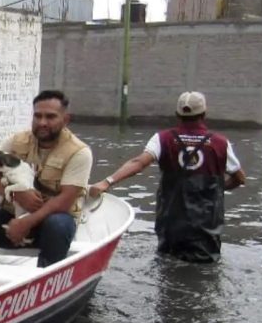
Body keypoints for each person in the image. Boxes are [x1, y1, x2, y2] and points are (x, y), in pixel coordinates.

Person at [88, 91, 246, 263]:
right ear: (204, 114)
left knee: (167, 264)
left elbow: (139, 163)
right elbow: (240, 178)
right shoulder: (220, 143)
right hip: (206, 226)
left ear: (177, 114)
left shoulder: (162, 139)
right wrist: (216, 189)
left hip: (171, 222)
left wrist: (107, 181)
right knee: (204, 270)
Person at [0, 89, 93, 267]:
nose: (42, 122)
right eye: (37, 116)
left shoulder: (79, 152)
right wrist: (19, 196)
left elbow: (64, 201)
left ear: (65, 119)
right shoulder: (15, 142)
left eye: (50, 117)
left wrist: (26, 223)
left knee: (58, 226)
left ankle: (46, 276)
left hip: (51, 221)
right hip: (14, 215)